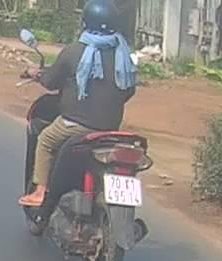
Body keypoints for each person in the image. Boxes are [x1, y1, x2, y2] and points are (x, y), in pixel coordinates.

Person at [18, 0, 138, 208]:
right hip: (111, 128)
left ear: (85, 22)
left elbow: (51, 81)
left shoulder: (74, 51)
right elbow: (129, 90)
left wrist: (37, 74)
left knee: (45, 140)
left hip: (76, 125)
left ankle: (40, 192)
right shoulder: (123, 54)